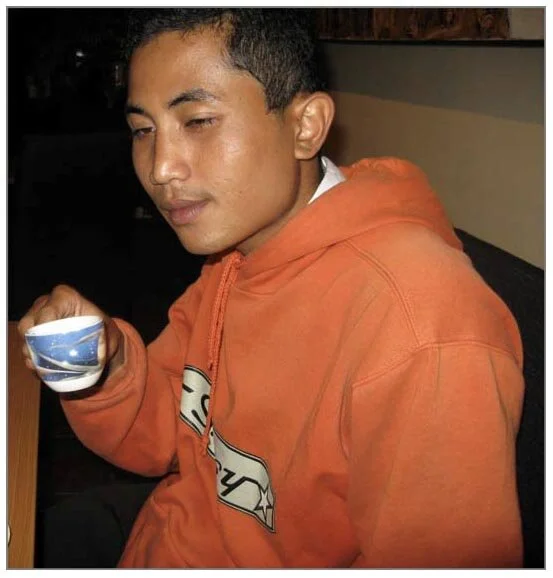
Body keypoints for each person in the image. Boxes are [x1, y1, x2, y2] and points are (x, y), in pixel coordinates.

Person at [18, 8, 525, 568]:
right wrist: (109, 363)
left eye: (198, 121)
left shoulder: (423, 328)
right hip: (170, 533)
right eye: (144, 130)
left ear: (306, 125)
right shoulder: (238, 252)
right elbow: (170, 429)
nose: (160, 168)